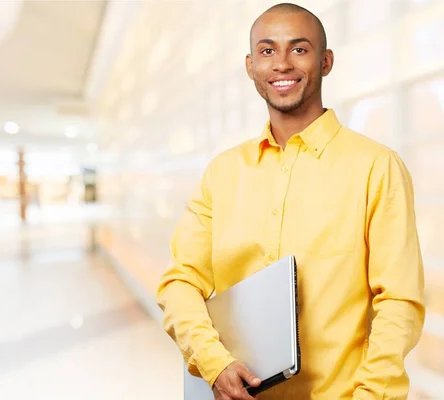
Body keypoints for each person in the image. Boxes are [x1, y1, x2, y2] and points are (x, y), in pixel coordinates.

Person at [156, 3, 425, 400]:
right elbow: (181, 282)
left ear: (326, 61)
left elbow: (399, 301)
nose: (282, 63)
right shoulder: (223, 172)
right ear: (250, 66)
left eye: (299, 49)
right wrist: (214, 363)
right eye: (267, 51)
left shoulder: (376, 167)